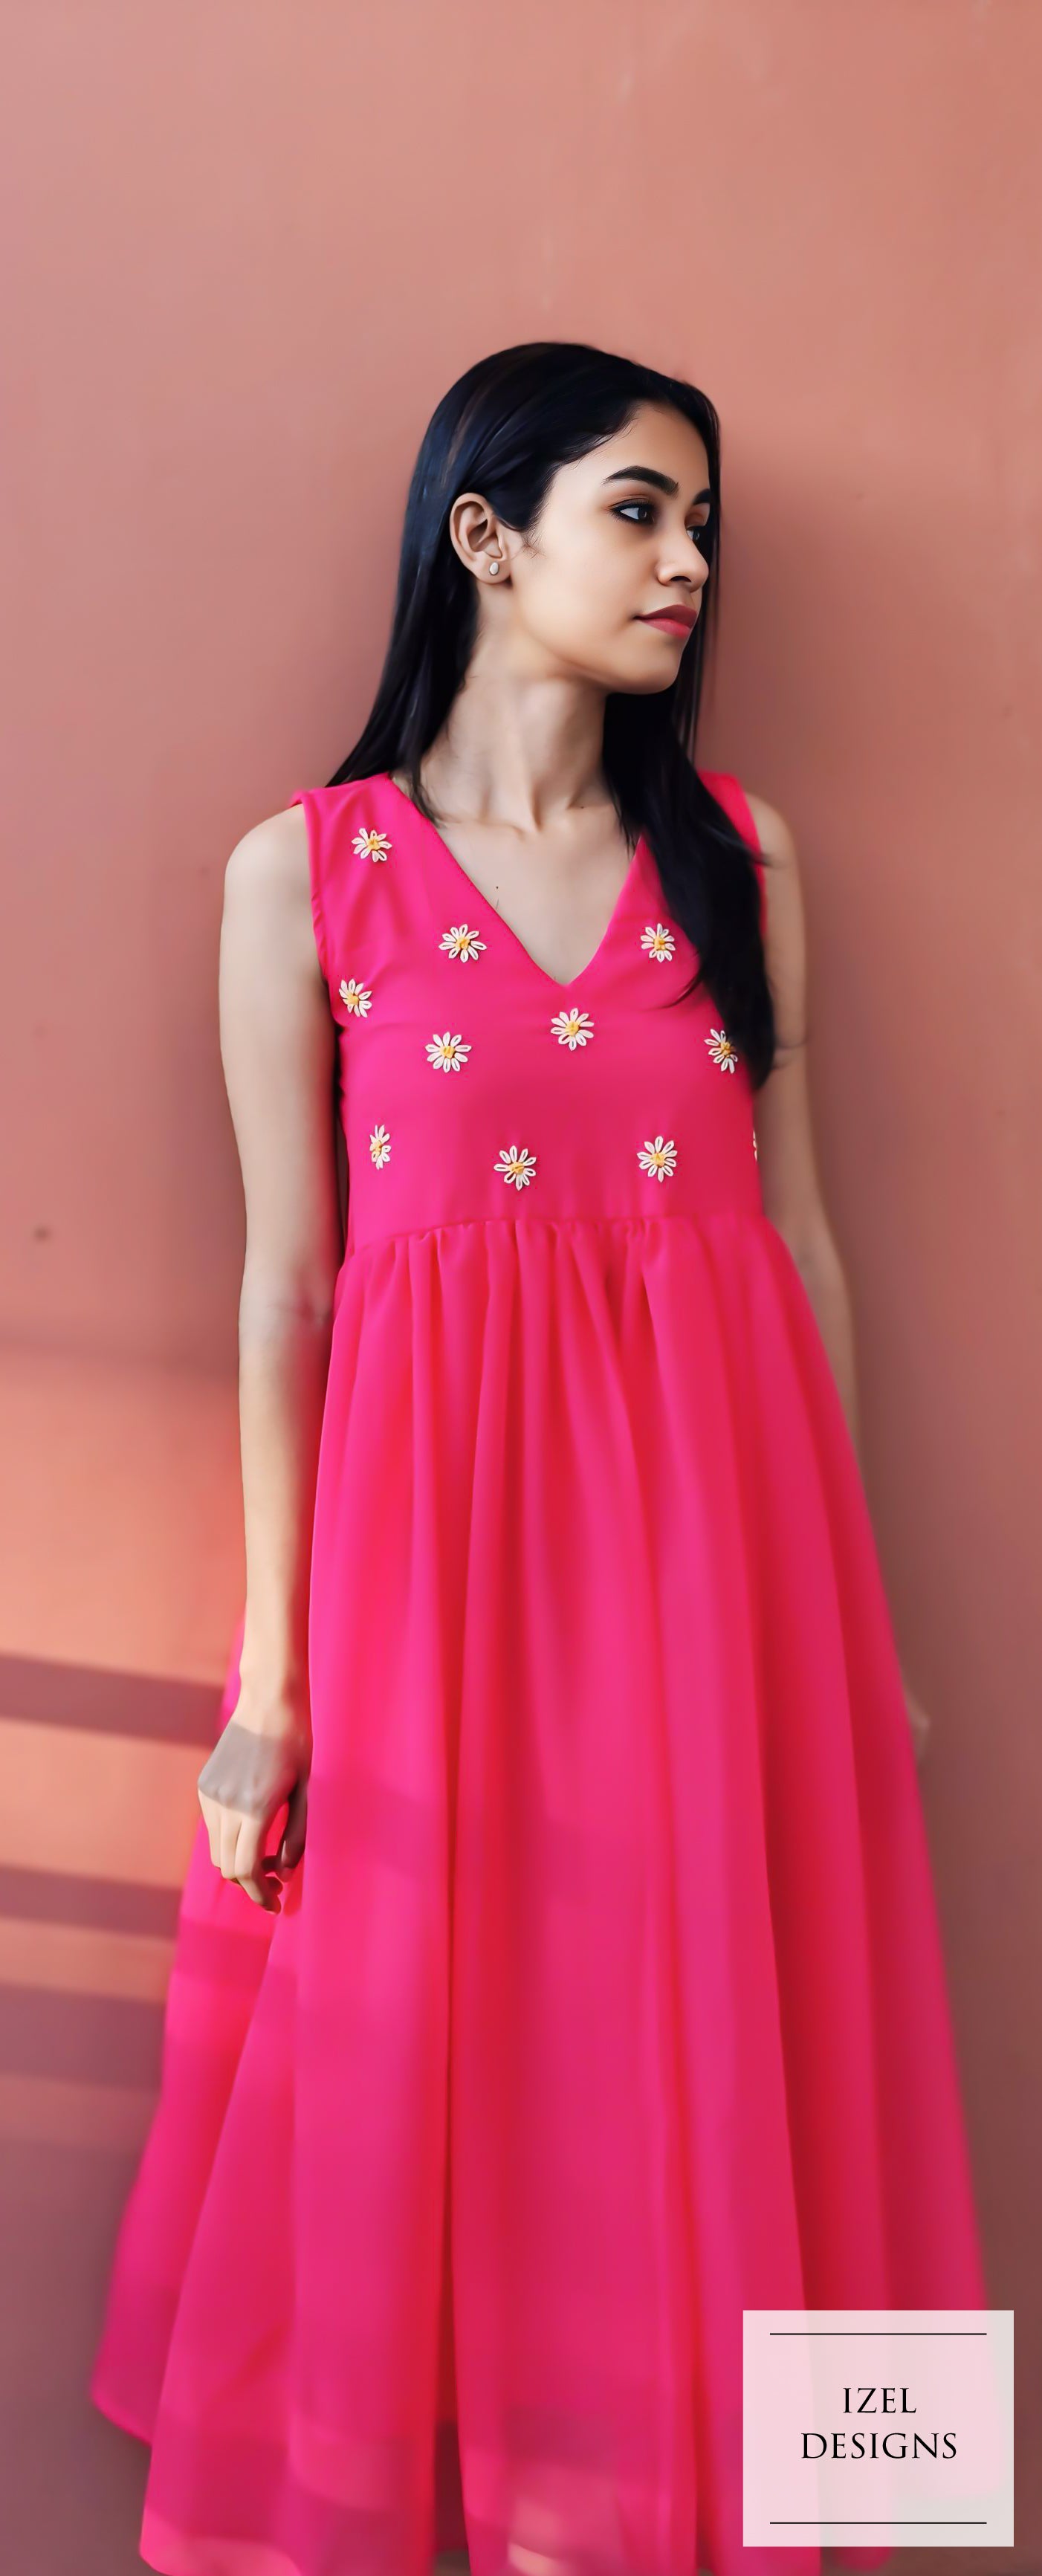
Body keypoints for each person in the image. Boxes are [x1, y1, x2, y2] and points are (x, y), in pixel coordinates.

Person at [91, 340, 986, 2576]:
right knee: (443, 2073)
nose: (688, 566)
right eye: (639, 511)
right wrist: (281, 1680)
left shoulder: (740, 856)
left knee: (767, 2061)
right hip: (431, 1587)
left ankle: (818, 2519)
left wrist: (852, 1625)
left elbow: (801, 1244)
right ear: (483, 537)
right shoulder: (306, 876)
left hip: (720, 1572)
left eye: (704, 529)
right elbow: (288, 1293)